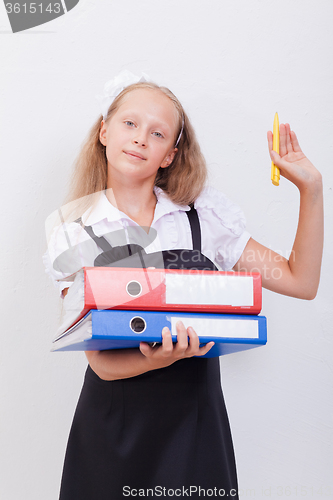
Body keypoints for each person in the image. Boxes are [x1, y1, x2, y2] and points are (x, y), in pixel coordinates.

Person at [43, 71, 323, 499]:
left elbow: (300, 280)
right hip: (111, 429)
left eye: (157, 133)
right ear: (104, 131)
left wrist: (312, 189)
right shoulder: (72, 229)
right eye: (129, 123)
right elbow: (98, 362)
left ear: (170, 155)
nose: (140, 138)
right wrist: (157, 361)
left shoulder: (204, 219)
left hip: (193, 427)